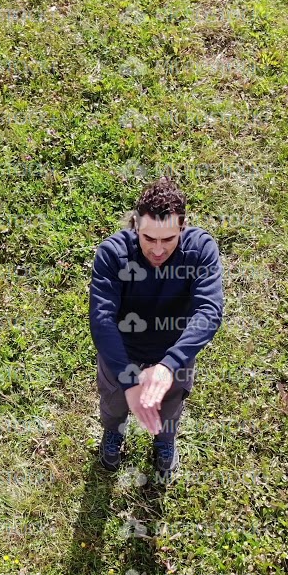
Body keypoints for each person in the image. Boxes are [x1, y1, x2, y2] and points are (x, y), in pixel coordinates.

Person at [89, 176, 225, 480]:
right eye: (149, 239)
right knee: (114, 402)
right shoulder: (113, 254)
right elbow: (102, 319)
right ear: (136, 225)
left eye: (168, 239)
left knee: (170, 407)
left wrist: (168, 365)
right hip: (122, 350)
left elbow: (209, 311)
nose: (159, 250)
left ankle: (164, 441)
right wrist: (129, 380)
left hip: (174, 351)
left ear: (183, 226)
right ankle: (113, 433)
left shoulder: (201, 250)